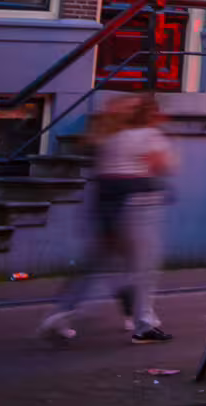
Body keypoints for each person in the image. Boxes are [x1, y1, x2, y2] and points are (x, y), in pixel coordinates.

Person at [41, 96, 175, 344]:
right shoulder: (149, 136)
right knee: (144, 267)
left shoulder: (110, 138)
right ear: (151, 115)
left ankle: (61, 313)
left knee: (99, 264)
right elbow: (163, 166)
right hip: (138, 205)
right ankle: (143, 324)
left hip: (105, 204)